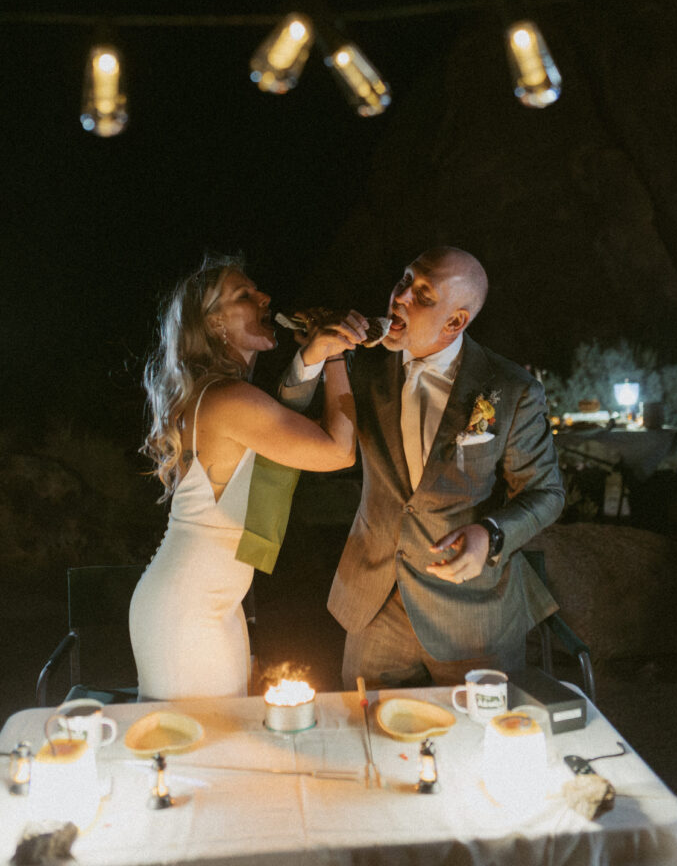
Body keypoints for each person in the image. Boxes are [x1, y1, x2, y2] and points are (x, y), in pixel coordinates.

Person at [281, 245, 565, 690]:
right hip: (374, 603)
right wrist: (314, 356)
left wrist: (489, 533)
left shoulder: (511, 389)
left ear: (455, 322)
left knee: (477, 747)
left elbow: (546, 493)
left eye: (424, 295)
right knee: (372, 739)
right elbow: (287, 420)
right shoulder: (358, 360)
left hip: (473, 615)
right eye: (405, 280)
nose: (401, 298)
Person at [129, 253, 363, 700]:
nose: (264, 298)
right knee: (205, 754)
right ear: (215, 323)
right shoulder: (228, 398)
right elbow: (338, 450)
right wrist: (336, 358)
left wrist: (312, 354)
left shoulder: (218, 395)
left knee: (218, 746)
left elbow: (278, 423)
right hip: (189, 611)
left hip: (205, 601)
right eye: (244, 295)